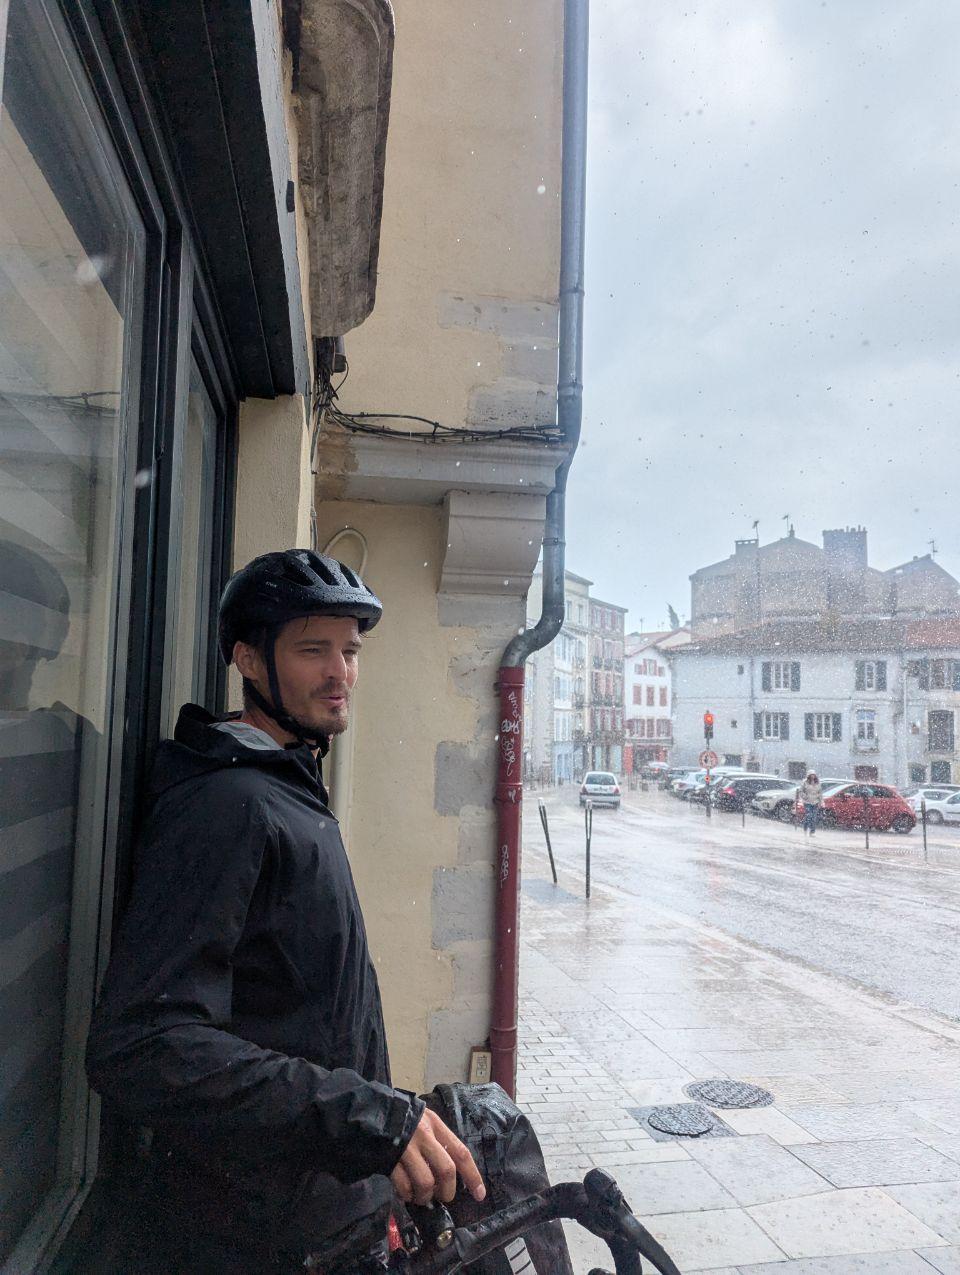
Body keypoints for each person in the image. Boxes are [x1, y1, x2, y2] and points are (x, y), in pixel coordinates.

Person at [86, 549, 485, 1273]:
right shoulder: (226, 803)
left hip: (322, 1213)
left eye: (350, 651)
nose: (340, 673)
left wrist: (383, 1136)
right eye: (312, 650)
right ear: (248, 658)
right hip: (257, 1235)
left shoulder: (283, 783)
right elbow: (144, 1044)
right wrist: (370, 1120)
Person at [801, 770, 823, 835]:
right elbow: (801, 791)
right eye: (811, 775)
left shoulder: (818, 782)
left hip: (815, 802)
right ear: (809, 775)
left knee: (814, 817)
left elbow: (820, 793)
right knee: (808, 816)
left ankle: (812, 832)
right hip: (807, 802)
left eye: (814, 775)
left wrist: (820, 801)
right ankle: (805, 828)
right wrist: (805, 796)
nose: (813, 776)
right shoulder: (805, 782)